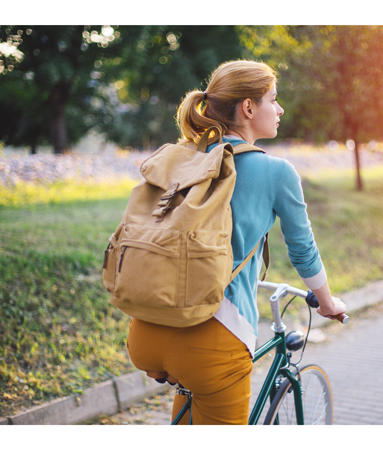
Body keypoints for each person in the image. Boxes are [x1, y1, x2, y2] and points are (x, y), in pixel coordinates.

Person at [126, 60, 347, 425]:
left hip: (147, 328)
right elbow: (303, 250)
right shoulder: (276, 172)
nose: (280, 109)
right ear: (248, 108)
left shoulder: (185, 158)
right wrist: (326, 303)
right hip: (212, 339)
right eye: (273, 99)